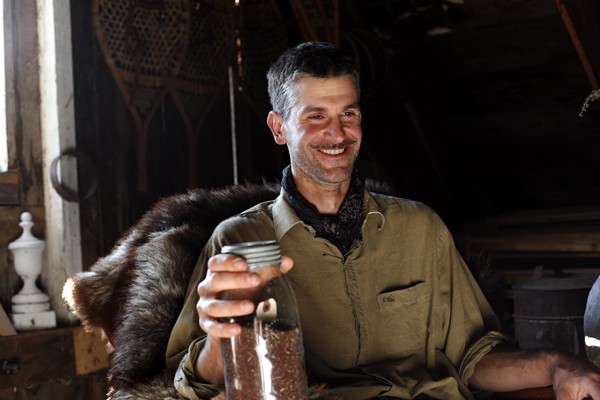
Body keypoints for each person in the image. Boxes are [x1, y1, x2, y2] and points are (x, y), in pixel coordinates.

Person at [165, 41, 600, 399]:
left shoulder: (421, 227)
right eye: (316, 116)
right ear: (279, 128)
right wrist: (221, 336)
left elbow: (474, 357)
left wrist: (558, 364)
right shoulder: (241, 240)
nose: (337, 134)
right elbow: (193, 385)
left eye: (348, 114)